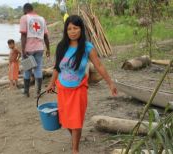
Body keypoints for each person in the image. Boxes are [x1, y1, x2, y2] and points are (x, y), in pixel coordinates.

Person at [46, 15, 117, 154]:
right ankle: (75, 138)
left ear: (81, 29)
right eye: (69, 28)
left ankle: (75, 149)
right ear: (66, 30)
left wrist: (110, 83)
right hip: (63, 89)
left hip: (78, 89)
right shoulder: (61, 46)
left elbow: (99, 66)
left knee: (76, 121)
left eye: (76, 28)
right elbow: (57, 67)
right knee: (65, 119)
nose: (72, 31)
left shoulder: (87, 47)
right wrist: (51, 83)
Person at [20, 3, 50, 97]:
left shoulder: (24, 18)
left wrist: (23, 49)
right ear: (32, 9)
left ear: (25, 10)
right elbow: (45, 36)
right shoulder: (42, 19)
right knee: (38, 70)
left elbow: (23, 35)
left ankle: (26, 92)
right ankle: (38, 93)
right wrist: (48, 49)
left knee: (27, 70)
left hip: (28, 50)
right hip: (40, 48)